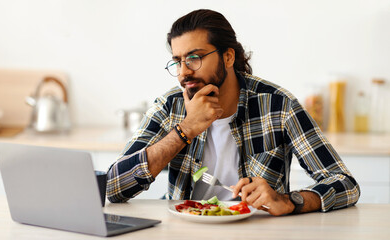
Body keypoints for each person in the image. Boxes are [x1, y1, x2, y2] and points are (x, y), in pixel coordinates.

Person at [106, 9, 360, 216]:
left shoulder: (278, 105)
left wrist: (290, 201)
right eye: (178, 61)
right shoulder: (169, 107)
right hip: (183, 230)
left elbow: (345, 183)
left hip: (257, 231)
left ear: (228, 57)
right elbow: (113, 187)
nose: (183, 72)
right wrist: (185, 130)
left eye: (194, 58)